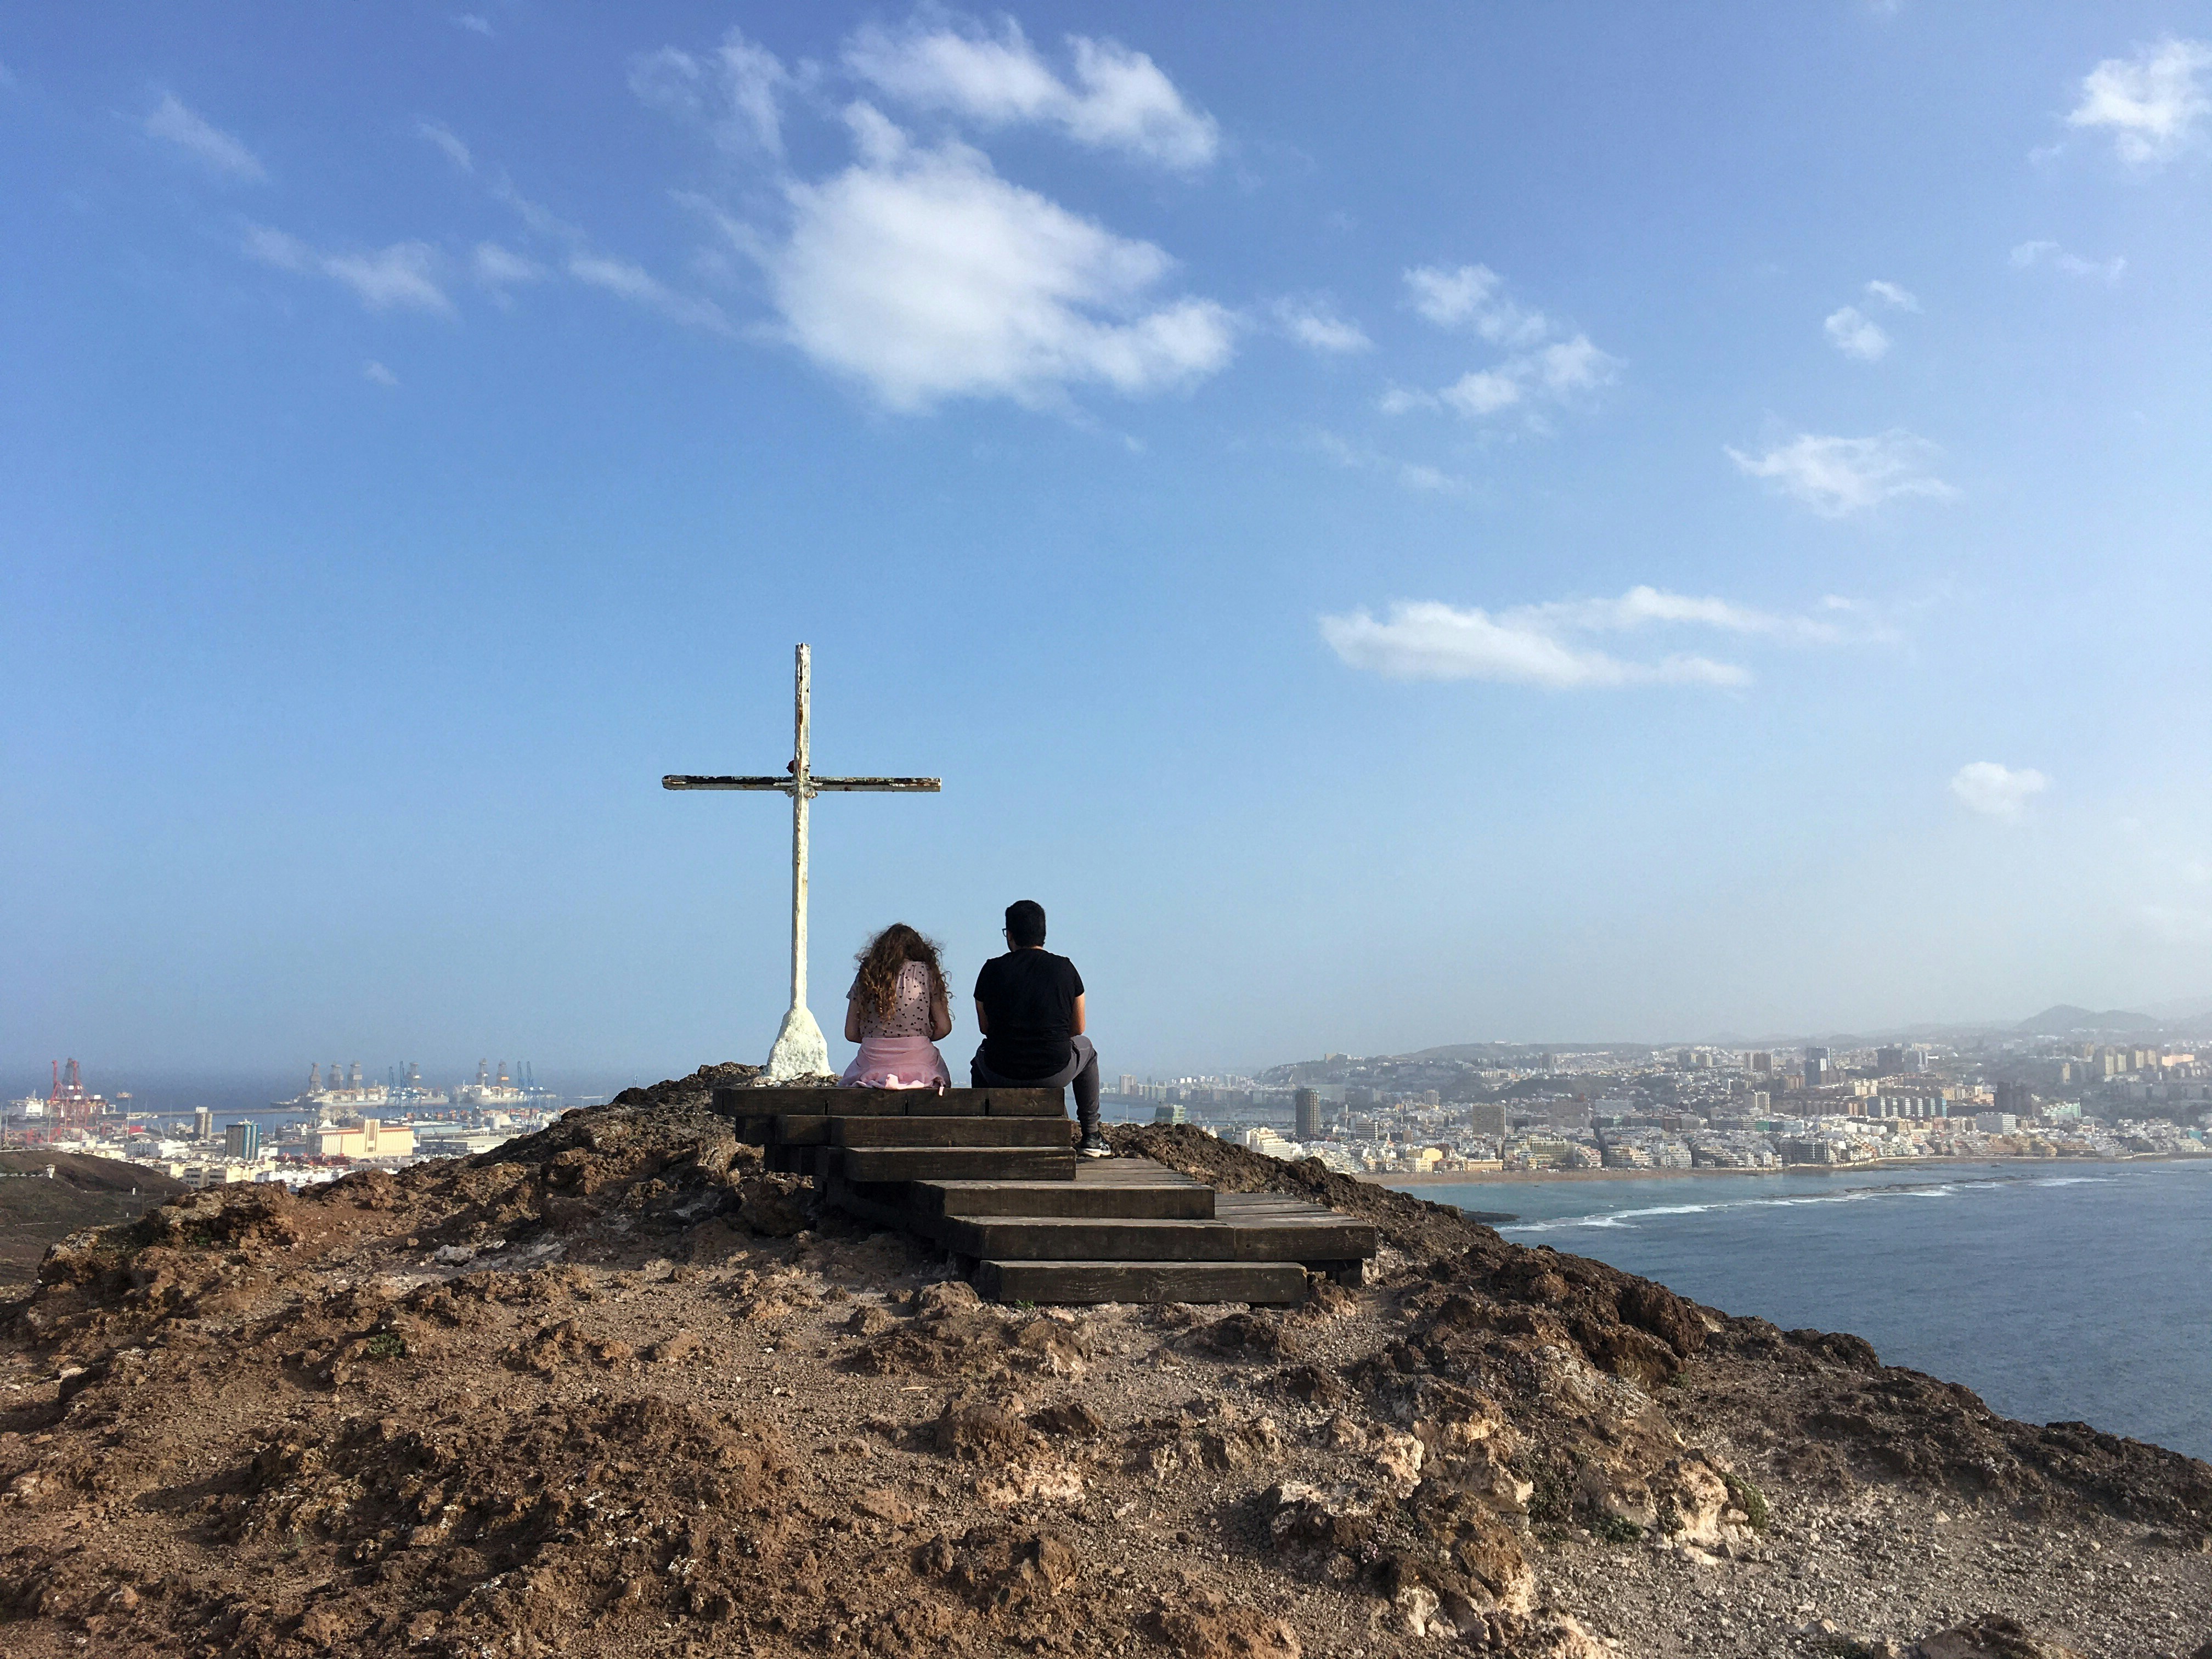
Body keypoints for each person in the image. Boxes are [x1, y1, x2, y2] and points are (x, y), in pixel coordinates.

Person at [970, 899, 1107, 1158]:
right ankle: (1091, 1135)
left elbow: (985, 1028)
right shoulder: (1065, 968)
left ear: (1010, 935)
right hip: (1053, 1071)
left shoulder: (991, 969)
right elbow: (1078, 1027)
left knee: (979, 1060)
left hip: (1002, 1071)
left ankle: (985, 1134)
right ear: (1043, 934)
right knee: (1088, 1051)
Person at [840, 923, 953, 1088]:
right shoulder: (926, 973)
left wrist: (880, 1043)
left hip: (872, 1061)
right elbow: (944, 1028)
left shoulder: (866, 976)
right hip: (919, 1060)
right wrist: (919, 1038)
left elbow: (851, 1033)